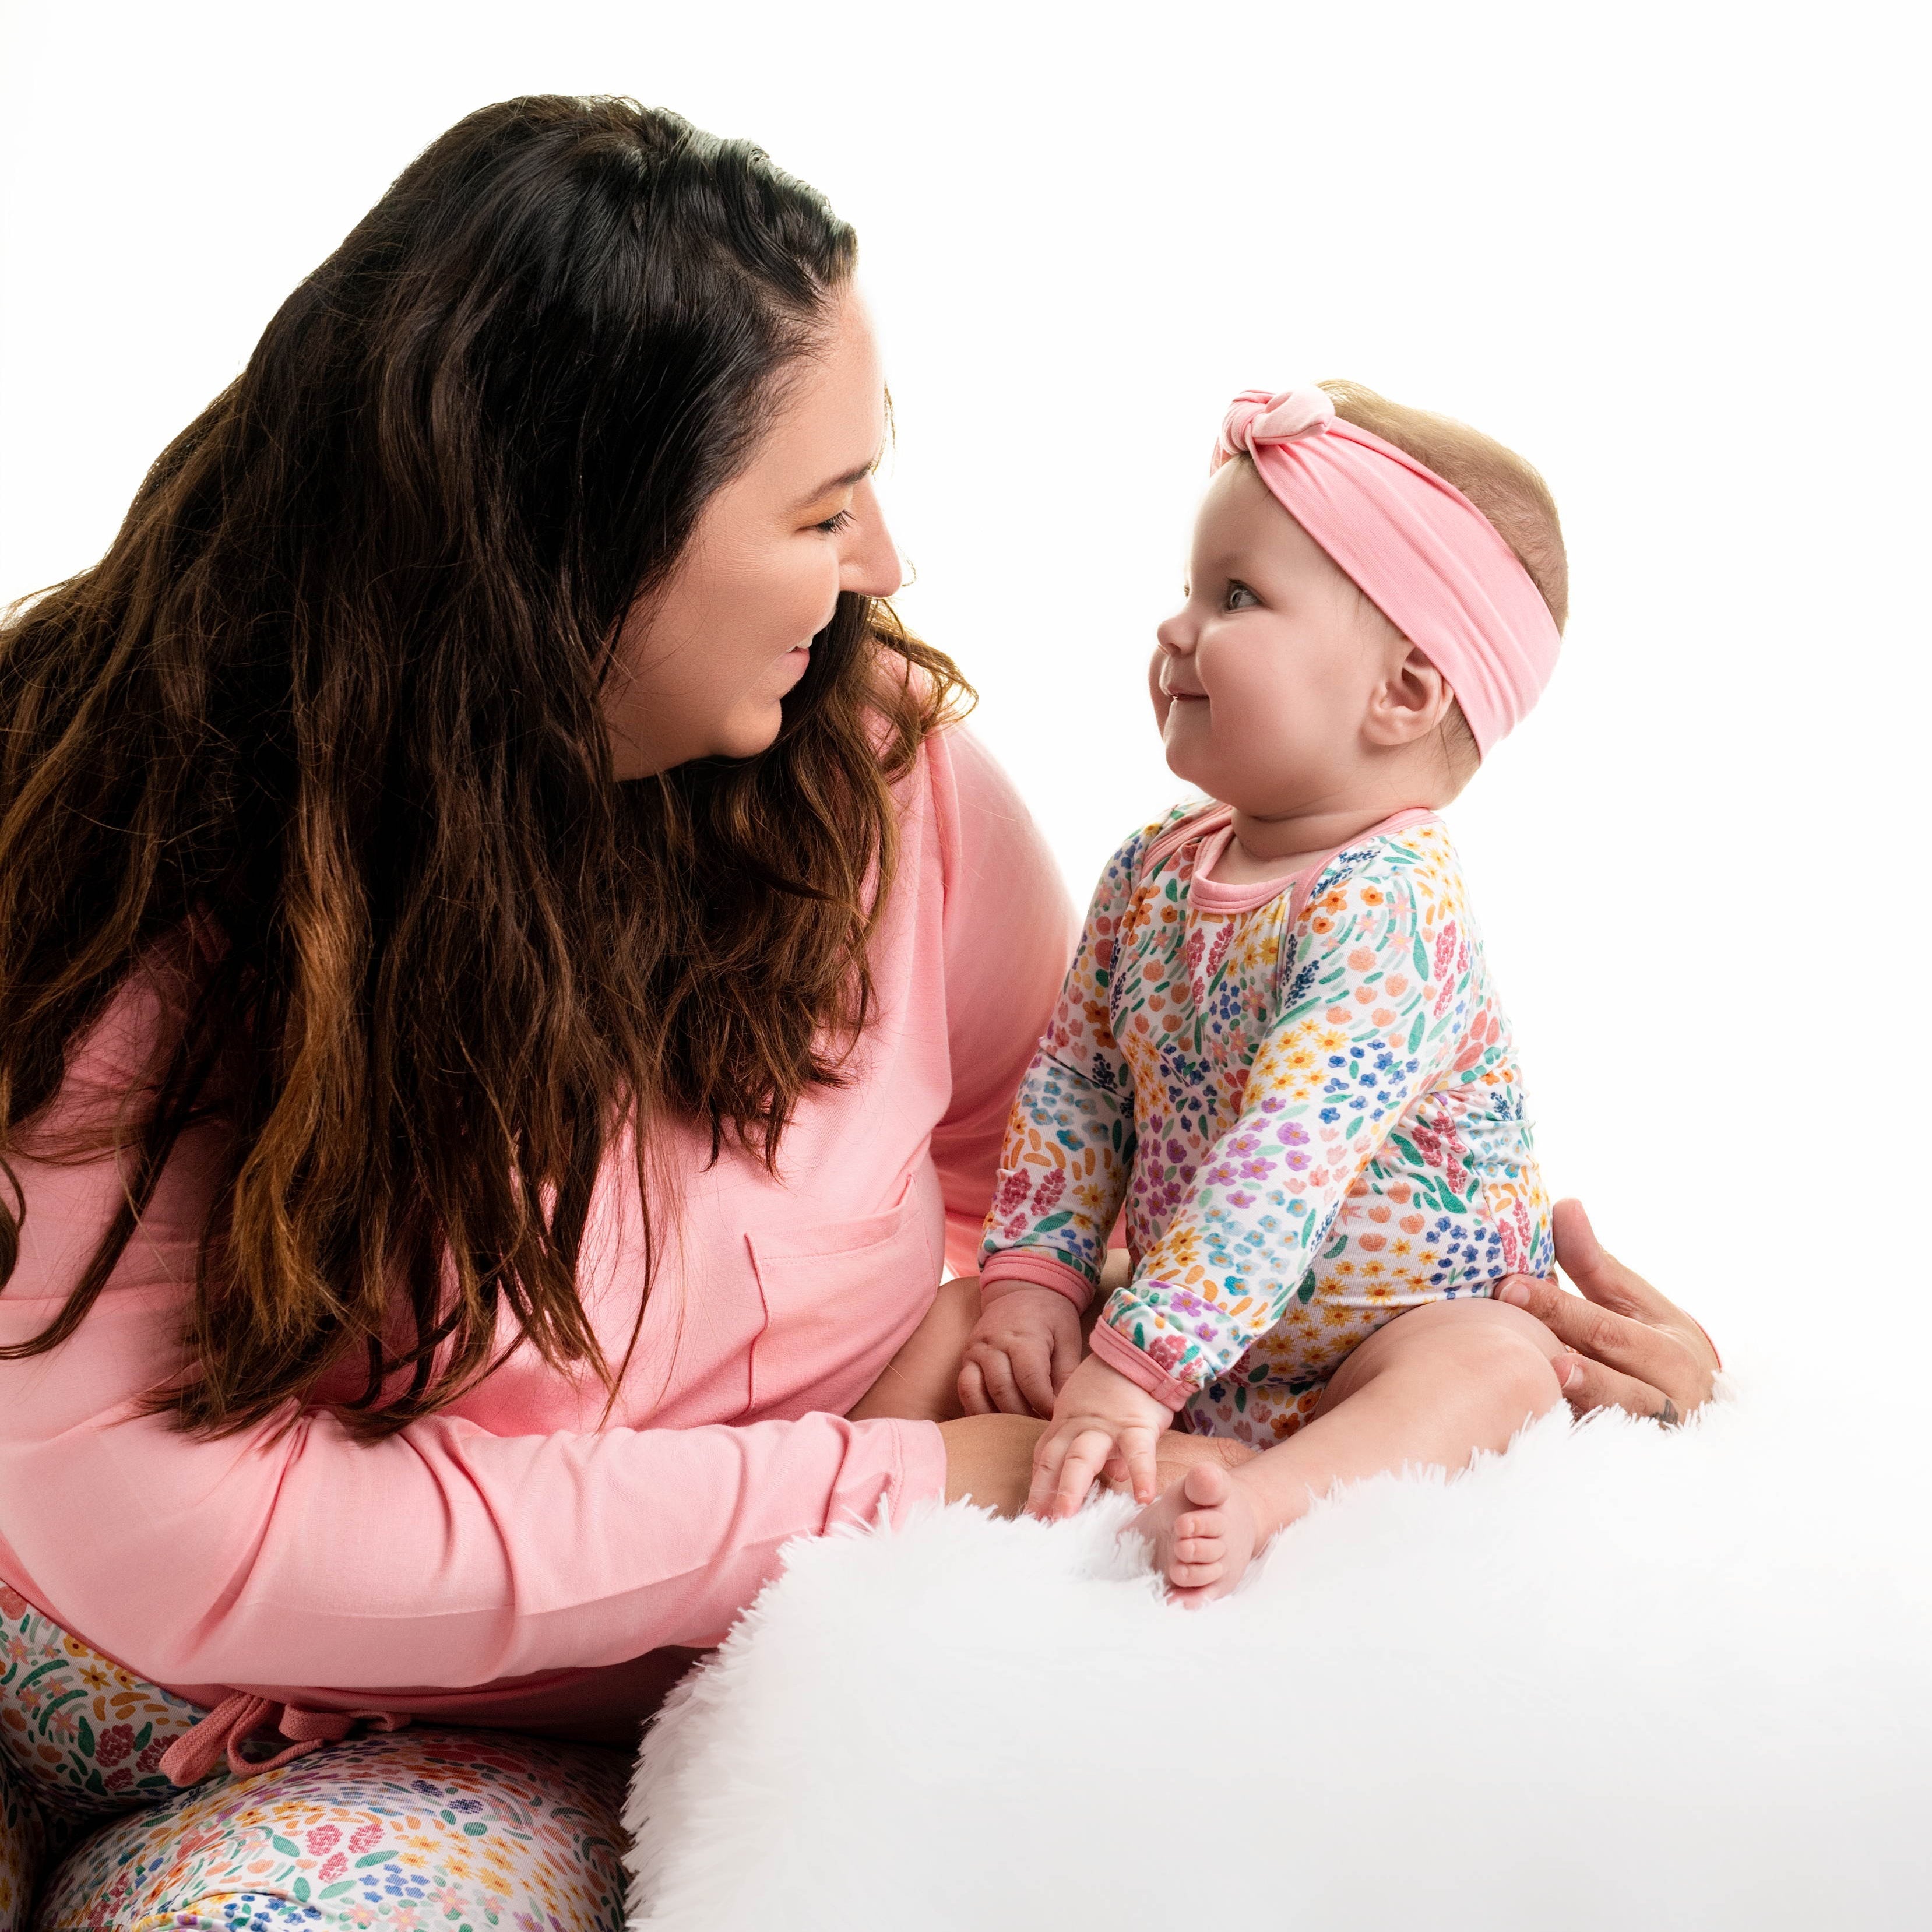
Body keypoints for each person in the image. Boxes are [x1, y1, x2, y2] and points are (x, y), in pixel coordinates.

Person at [0, 98, 1718, 1928]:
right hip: (82, 1629)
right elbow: (177, 1531)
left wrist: (1500, 1387)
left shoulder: (877, 781)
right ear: (565, 543)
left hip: (492, 1733)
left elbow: (1092, 1188)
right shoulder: (146, 845)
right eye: (819, 506)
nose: (885, 561)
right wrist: (897, 1477)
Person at [940, 381, 1712, 1604]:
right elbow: (1073, 1092)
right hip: (1199, 1321)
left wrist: (1138, 1361)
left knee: (1496, 1360)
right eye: (1191, 588)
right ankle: (806, 1525)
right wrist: (1035, 1285)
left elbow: (1284, 1154)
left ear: (1402, 692)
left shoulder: (1388, 901)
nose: (1177, 628)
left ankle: (1265, 1494)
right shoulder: (1150, 868)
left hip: (1381, 1330)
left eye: (1234, 597)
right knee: (954, 1322)